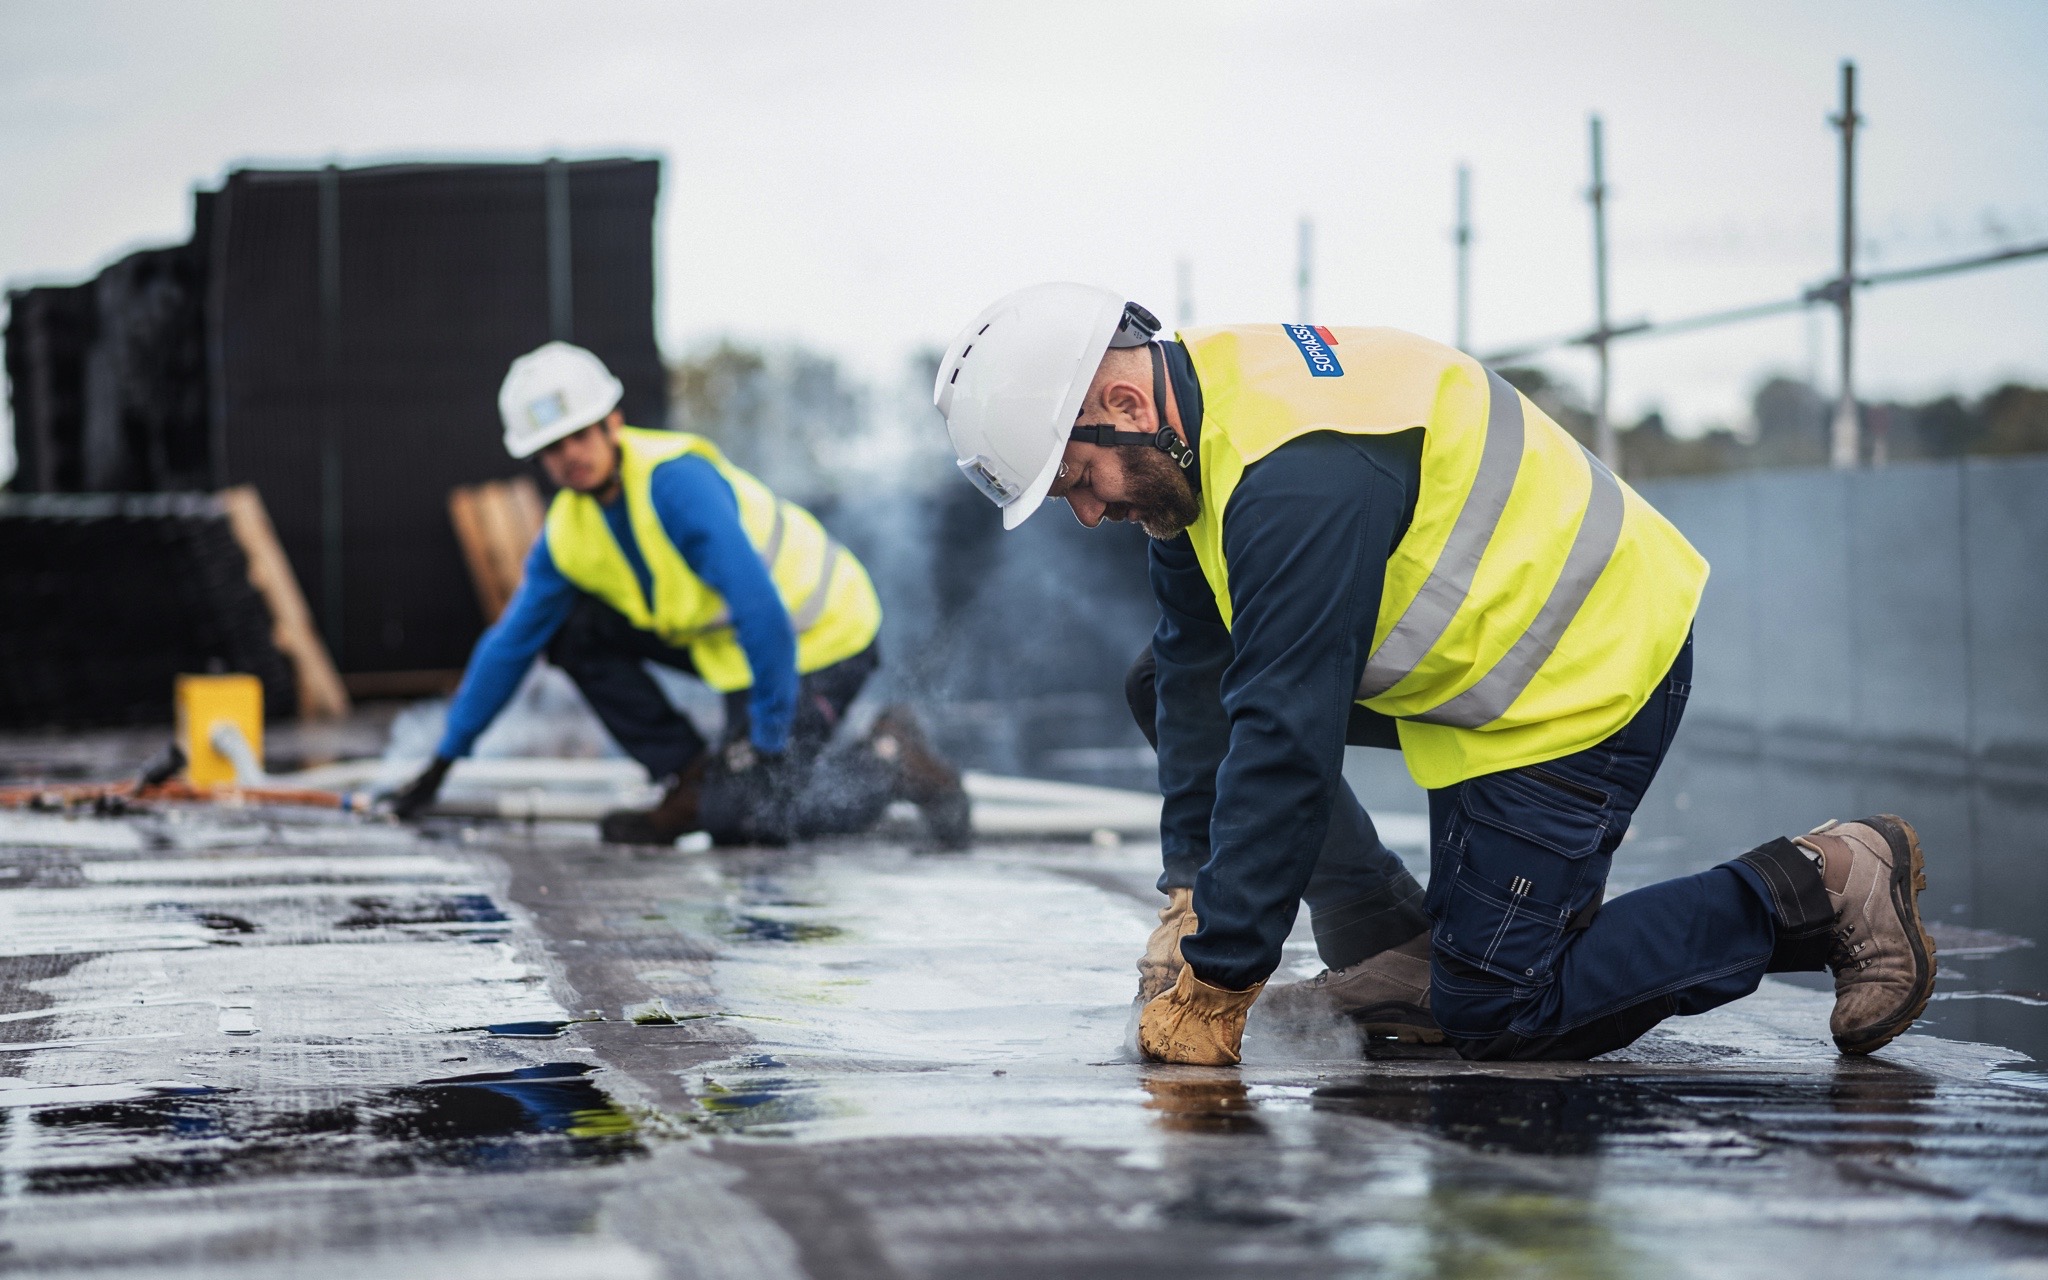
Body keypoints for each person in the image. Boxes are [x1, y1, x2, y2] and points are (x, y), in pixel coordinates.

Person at [931, 283, 1935, 1065]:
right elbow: (1199, 671)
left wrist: (1220, 978)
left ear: (1118, 401)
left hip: (1578, 673)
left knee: (1502, 1011)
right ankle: (1403, 945)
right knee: (1168, 681)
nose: (1089, 513)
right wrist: (1191, 884)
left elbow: (1285, 726)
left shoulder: (1297, 472)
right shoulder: (1194, 427)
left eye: (1079, 478)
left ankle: (1821, 882)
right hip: (1481, 667)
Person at [389, 341, 969, 849]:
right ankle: (690, 776)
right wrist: (445, 757)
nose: (570, 454)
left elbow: (759, 610)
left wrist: (767, 743)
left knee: (749, 822)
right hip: (739, 653)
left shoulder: (675, 484)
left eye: (580, 434)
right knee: (568, 630)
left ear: (612, 423)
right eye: (553, 446)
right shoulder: (567, 531)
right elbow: (509, 645)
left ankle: (892, 763)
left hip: (821, 637)